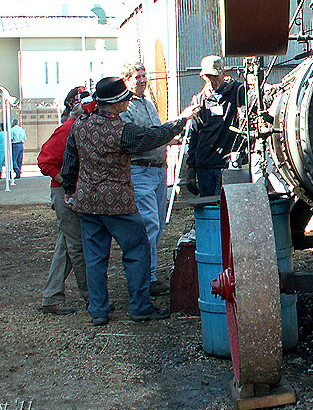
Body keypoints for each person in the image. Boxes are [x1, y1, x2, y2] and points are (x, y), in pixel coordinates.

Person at [61, 76, 197, 326]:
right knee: (137, 250)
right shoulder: (121, 131)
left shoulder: (80, 125)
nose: (127, 104)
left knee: (95, 258)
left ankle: (98, 311)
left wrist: (70, 189)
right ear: (114, 104)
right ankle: (140, 305)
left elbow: (70, 158)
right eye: (124, 100)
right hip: (118, 202)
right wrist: (182, 120)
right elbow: (153, 137)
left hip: (87, 203)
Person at [37, 87, 93, 315]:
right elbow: (44, 161)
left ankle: (52, 295)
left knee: (67, 245)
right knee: (77, 246)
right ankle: (93, 298)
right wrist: (68, 183)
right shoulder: (69, 129)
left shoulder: (76, 126)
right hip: (65, 193)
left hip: (68, 191)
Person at [119, 62, 172, 296]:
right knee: (148, 223)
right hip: (140, 170)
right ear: (126, 80)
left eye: (144, 75)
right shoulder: (126, 109)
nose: (142, 80)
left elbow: (156, 134)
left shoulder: (149, 105)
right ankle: (145, 278)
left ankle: (148, 272)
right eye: (137, 76)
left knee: (158, 224)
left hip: (159, 170)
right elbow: (137, 138)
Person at [186, 55, 245, 198]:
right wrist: (191, 169)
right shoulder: (199, 100)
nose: (211, 81)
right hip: (205, 165)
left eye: (214, 76)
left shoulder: (237, 92)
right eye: (207, 77)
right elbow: (194, 135)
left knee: (226, 209)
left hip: (228, 164)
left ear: (223, 73)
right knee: (208, 209)